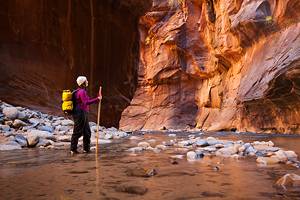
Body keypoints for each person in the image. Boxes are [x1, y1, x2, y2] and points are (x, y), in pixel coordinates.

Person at [70, 76, 102, 154]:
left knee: (87, 132)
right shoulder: (81, 92)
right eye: (86, 81)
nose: (87, 82)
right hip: (80, 113)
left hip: (82, 113)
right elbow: (86, 102)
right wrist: (97, 99)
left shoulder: (80, 91)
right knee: (77, 132)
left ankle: (86, 149)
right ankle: (73, 150)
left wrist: (97, 98)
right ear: (83, 83)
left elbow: (87, 100)